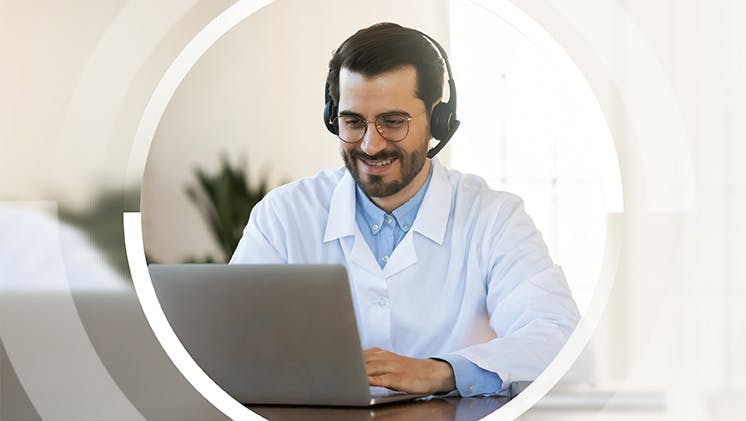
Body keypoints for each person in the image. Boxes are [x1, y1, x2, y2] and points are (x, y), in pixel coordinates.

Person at [231, 22, 580, 397]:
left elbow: (558, 338)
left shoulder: (495, 219)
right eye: (353, 122)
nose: (370, 145)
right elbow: (229, 338)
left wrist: (441, 372)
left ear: (438, 121)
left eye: (393, 122)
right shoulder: (283, 215)